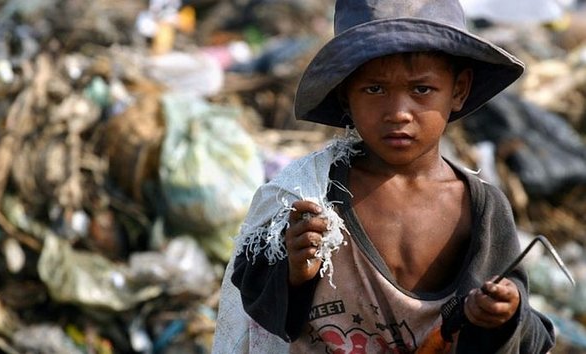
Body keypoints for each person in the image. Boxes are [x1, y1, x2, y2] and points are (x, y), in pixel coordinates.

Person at [212, 0, 556, 353]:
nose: (398, 113)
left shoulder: (479, 209)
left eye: (421, 89)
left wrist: (503, 315)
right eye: (374, 89)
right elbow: (258, 310)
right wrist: (293, 273)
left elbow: (524, 339)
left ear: (458, 90)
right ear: (346, 95)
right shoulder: (310, 196)